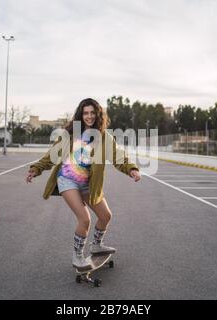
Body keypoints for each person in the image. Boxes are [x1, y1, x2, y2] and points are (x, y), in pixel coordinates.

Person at [26, 98, 141, 271]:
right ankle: (77, 256)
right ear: (81, 115)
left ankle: (96, 245)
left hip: (88, 184)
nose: (89, 116)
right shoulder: (71, 134)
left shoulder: (104, 138)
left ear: (98, 114)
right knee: (84, 219)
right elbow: (52, 155)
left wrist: (131, 169)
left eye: (92, 113)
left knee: (105, 216)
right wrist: (36, 169)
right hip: (67, 180)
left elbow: (119, 156)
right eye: (86, 113)